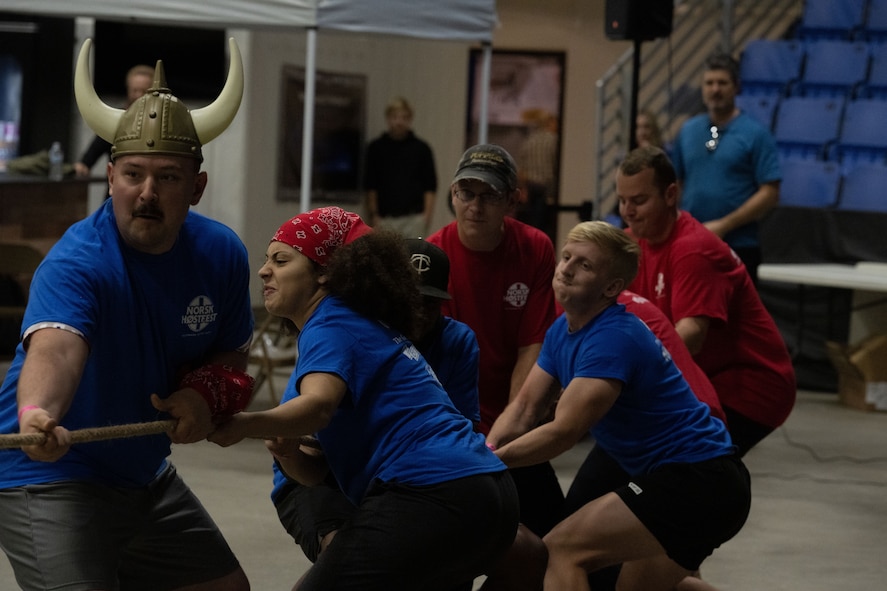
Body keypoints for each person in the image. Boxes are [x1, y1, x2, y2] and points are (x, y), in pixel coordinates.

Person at [0, 38, 251, 591]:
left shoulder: (222, 254)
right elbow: (56, 348)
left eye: (168, 177)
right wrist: (39, 414)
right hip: (49, 473)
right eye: (133, 174)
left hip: (143, 474)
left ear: (198, 187)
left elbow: (233, 353)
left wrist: (205, 393)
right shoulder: (78, 261)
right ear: (110, 177)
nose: (147, 193)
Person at [208, 207, 520, 590]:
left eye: (281, 259)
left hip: (434, 492)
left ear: (325, 272)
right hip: (489, 495)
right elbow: (320, 473)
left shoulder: (331, 321)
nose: (264, 270)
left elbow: (318, 408)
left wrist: (243, 423)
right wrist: (288, 453)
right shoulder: (361, 324)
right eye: (267, 260)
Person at [487, 220, 752, 591]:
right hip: (707, 485)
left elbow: (564, 432)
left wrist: (489, 465)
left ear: (612, 287)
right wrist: (487, 449)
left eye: (585, 265)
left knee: (562, 550)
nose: (566, 268)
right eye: (566, 257)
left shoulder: (612, 337)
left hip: (695, 479)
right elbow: (525, 409)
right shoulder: (561, 331)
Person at [270, 237, 482, 565]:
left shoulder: (456, 339)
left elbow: (460, 424)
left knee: (461, 549)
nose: (420, 313)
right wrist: (249, 424)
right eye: (413, 300)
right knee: (348, 557)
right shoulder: (348, 332)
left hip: (404, 474)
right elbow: (308, 446)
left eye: (431, 303)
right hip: (320, 473)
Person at [617, 145, 796, 456]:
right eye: (622, 201)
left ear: (670, 195)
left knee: (670, 460)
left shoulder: (693, 250)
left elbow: (690, 338)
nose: (628, 212)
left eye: (639, 201)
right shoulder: (633, 242)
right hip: (705, 378)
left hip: (749, 387)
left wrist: (622, 371)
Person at [427, 143, 563, 540]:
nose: (475, 206)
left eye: (488, 196)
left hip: (513, 416)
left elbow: (532, 346)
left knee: (551, 538)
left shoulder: (535, 248)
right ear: (453, 195)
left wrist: (512, 424)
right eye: (465, 194)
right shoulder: (434, 258)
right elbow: (435, 364)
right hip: (455, 421)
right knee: (456, 545)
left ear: (511, 200)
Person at [670, 52, 781, 283]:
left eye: (722, 83)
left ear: (736, 87)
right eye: (709, 83)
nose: (715, 89)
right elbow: (675, 183)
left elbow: (770, 192)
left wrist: (725, 225)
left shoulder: (755, 134)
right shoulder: (689, 130)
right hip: (691, 242)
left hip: (739, 245)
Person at [364, 96, 437, 237]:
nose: (399, 122)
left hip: (414, 218)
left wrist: (426, 216)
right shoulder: (376, 148)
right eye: (395, 117)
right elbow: (370, 185)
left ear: (410, 119)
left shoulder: (422, 149)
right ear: (388, 118)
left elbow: (430, 186)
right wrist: (373, 215)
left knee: (414, 256)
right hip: (385, 218)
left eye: (404, 117)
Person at [72, 63, 155, 177]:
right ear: (128, 89)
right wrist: (82, 166)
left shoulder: (160, 123)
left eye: (144, 91)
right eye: (135, 90)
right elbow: (90, 156)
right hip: (116, 190)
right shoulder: (116, 120)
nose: (138, 96)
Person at [517, 108, 559, 241]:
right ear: (549, 123)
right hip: (547, 187)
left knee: (531, 223)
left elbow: (521, 169)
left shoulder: (529, 141)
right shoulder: (554, 140)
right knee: (544, 225)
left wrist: (523, 188)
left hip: (530, 187)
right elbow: (556, 165)